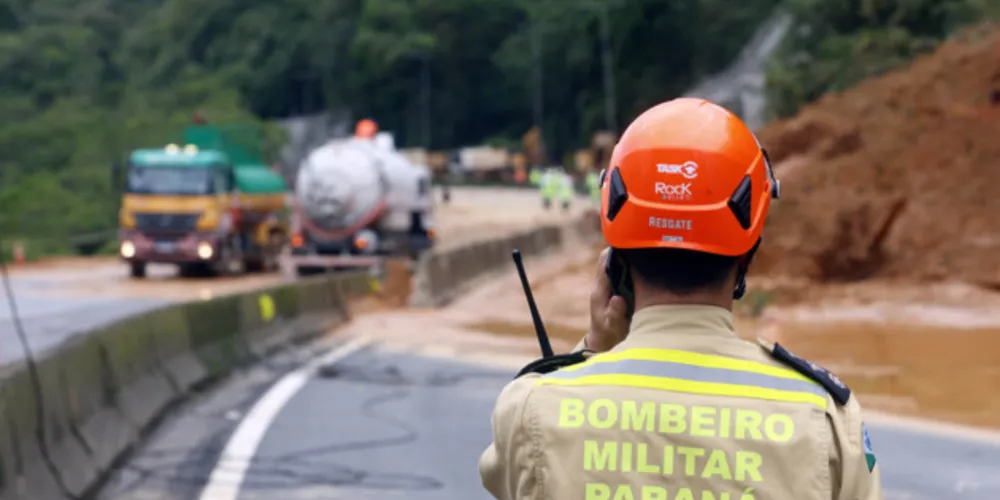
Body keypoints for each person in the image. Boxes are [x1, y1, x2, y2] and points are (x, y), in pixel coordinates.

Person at [479, 97, 884, 500]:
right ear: (749, 245)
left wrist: (593, 351)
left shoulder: (533, 410)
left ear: (613, 260)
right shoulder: (826, 422)